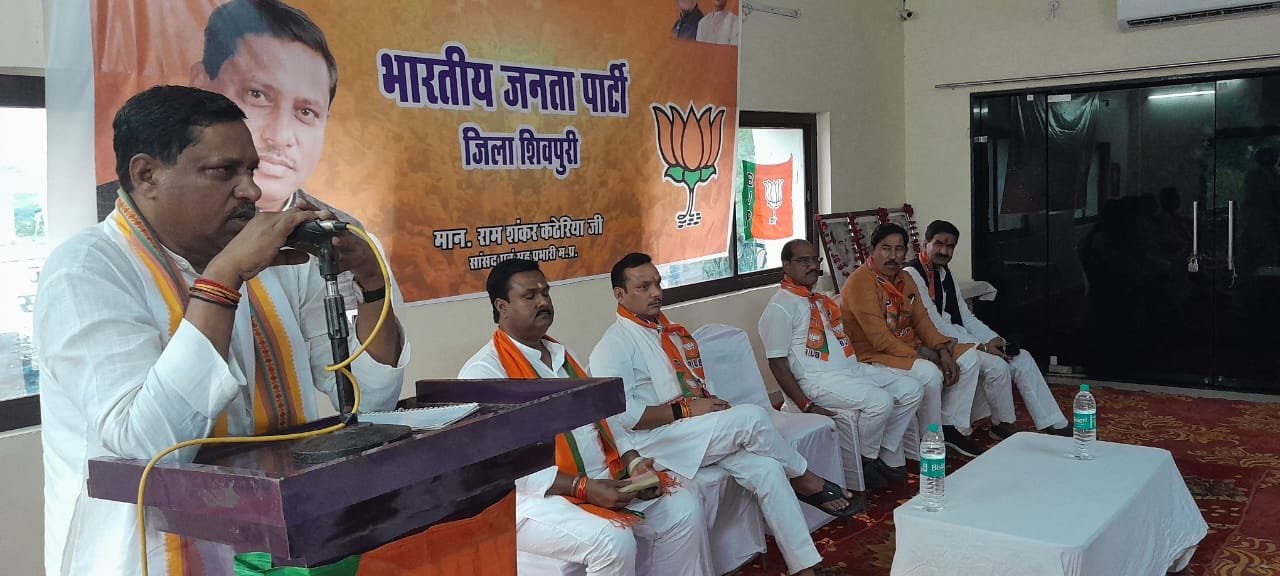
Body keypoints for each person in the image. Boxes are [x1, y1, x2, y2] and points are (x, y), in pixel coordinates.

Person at [38, 86, 409, 576]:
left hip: (278, 538)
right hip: (148, 553)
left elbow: (369, 397)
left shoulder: (276, 259)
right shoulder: (87, 269)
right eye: (223, 171)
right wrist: (223, 280)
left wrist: (371, 282)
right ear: (147, 175)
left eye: (251, 170)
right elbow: (149, 447)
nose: (250, 191)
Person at [94, 0, 384, 310]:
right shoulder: (95, 256)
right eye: (257, 95)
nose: (280, 135)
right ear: (203, 85)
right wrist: (226, 274)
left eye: (305, 111)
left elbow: (349, 342)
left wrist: (372, 281)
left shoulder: (334, 234)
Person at [591, 252, 854, 576]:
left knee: (769, 469)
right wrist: (685, 409)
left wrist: (708, 407)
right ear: (620, 294)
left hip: (694, 431)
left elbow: (693, 383)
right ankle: (805, 477)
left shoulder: (666, 331)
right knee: (752, 418)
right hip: (656, 442)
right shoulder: (612, 345)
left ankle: (805, 570)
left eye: (657, 284)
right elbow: (621, 414)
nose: (656, 293)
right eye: (643, 287)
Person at [459, 259, 713, 576]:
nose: (543, 302)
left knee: (683, 507)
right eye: (529, 296)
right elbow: (501, 466)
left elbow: (603, 416)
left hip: (601, 476)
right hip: (532, 498)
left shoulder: (563, 355)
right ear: (502, 306)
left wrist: (633, 462)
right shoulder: (484, 373)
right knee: (613, 541)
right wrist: (583, 487)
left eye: (545, 293)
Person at [759, 240, 923, 490]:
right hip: (818, 381)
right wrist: (805, 405)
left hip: (851, 370)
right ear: (786, 265)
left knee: (912, 389)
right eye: (803, 261)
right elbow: (777, 363)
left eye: (815, 260)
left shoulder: (819, 300)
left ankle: (880, 451)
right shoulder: (780, 307)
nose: (812, 266)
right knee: (880, 402)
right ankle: (865, 462)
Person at [904, 220, 1071, 439]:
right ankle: (999, 423)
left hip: (959, 336)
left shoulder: (943, 272)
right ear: (926, 243)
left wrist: (994, 339)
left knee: (1021, 357)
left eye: (950, 246)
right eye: (939, 244)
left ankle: (1053, 421)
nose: (944, 251)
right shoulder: (912, 273)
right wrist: (982, 346)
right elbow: (934, 324)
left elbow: (965, 316)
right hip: (935, 342)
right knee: (997, 365)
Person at [841, 224, 987, 458]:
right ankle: (930, 440)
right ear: (872, 250)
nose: (893, 256)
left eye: (899, 249)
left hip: (909, 347)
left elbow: (921, 320)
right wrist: (923, 357)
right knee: (930, 373)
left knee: (969, 359)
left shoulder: (904, 278)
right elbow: (880, 339)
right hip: (872, 355)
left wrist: (942, 350)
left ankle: (950, 426)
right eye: (886, 248)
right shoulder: (861, 282)